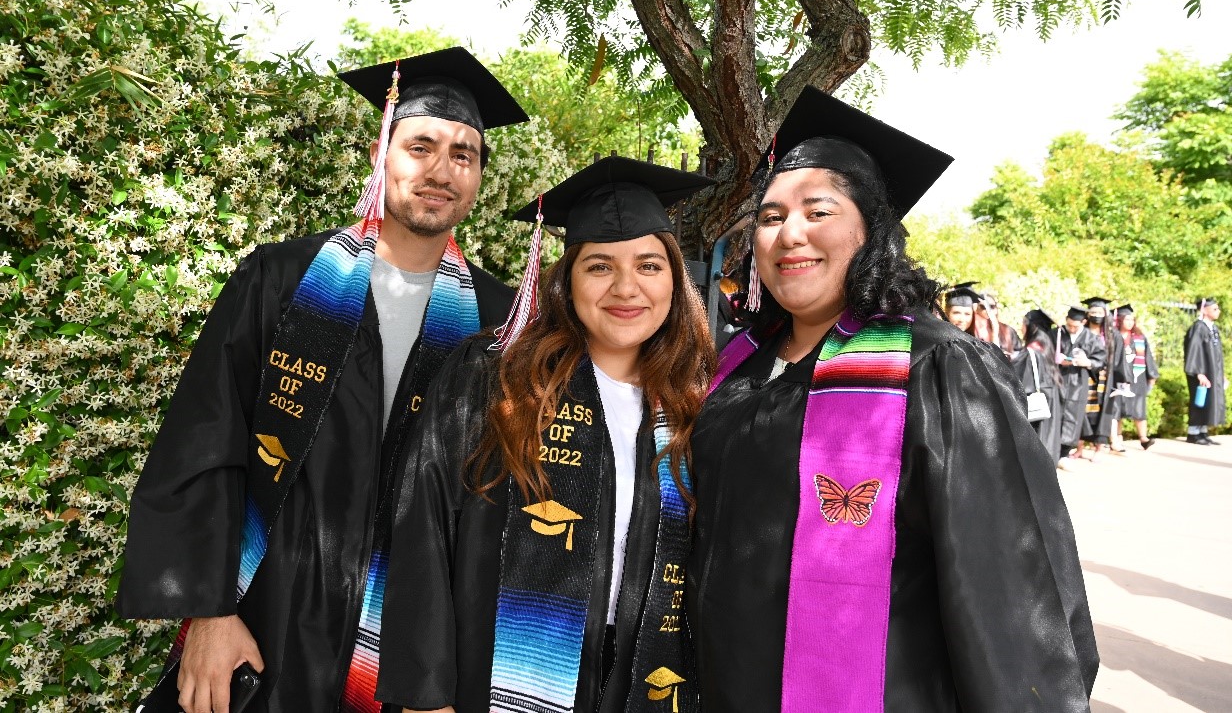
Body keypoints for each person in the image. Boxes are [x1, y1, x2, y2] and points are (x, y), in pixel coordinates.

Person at [117, 48, 528, 713]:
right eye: (420, 145)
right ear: (381, 153)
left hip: (410, 645)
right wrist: (209, 613)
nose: (441, 170)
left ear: (479, 176)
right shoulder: (282, 281)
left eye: (464, 154)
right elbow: (207, 436)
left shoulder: (501, 319)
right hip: (267, 614)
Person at [688, 87, 1097, 712]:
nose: (789, 234)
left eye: (817, 212)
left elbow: (1009, 582)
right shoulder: (737, 364)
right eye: (770, 217)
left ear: (871, 231)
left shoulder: (936, 367)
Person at [376, 159, 716, 713]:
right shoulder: (494, 375)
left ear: (675, 281)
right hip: (491, 673)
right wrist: (423, 693)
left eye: (649, 266)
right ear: (568, 280)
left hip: (638, 674)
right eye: (600, 266)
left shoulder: (692, 403)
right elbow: (423, 524)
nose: (627, 288)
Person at [1079, 296, 1131, 457]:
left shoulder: (1112, 335)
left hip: (1105, 380)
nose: (1096, 315)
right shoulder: (1083, 332)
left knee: (1103, 414)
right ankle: (1080, 448)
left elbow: (1120, 359)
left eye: (1099, 311)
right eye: (1093, 311)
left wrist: (1122, 380)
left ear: (1105, 313)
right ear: (1087, 314)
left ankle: (1099, 448)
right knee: (1081, 411)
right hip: (1085, 376)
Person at [1053, 305, 1105, 461]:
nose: (1071, 328)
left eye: (1075, 326)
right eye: (1069, 324)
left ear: (1083, 322)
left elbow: (1101, 359)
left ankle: (1064, 454)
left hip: (1079, 383)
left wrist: (1087, 362)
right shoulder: (1058, 334)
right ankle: (1053, 452)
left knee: (1073, 417)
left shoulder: (1091, 338)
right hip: (1059, 380)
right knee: (1057, 414)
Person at [1014, 309, 1064, 463]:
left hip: (1037, 408)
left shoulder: (1031, 352)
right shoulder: (1047, 347)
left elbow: (1021, 382)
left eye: (1024, 323)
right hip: (1049, 403)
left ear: (1031, 326)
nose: (1022, 328)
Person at [1114, 304, 1159, 450]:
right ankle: (1117, 439)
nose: (1130, 322)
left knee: (1139, 407)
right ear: (1119, 320)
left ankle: (1143, 438)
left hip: (1137, 378)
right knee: (1117, 408)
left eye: (1132, 320)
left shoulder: (1139, 338)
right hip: (1119, 378)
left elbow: (1148, 358)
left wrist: (1151, 376)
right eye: (1127, 319)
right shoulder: (1114, 336)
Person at [1184, 297, 1225, 446]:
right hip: (1200, 373)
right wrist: (1198, 372)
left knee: (1208, 401)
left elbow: (1217, 355)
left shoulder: (1212, 328)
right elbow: (1194, 351)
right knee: (1199, 401)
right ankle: (1193, 433)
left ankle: (1202, 431)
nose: (1218, 311)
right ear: (1204, 310)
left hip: (1212, 372)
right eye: (1214, 309)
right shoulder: (1198, 327)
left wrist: (1221, 374)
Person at [973, 290, 1023, 359]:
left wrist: (1009, 357)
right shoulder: (971, 331)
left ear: (996, 309)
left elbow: (1020, 354)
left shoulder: (1007, 331)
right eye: (983, 307)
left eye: (991, 306)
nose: (988, 310)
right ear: (976, 308)